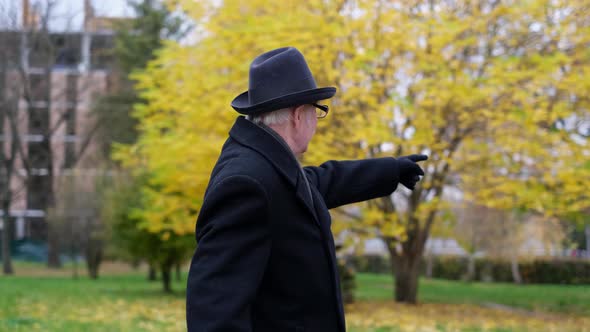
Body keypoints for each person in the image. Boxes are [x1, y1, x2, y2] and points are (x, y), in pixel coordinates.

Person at [186, 47, 427, 332]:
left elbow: (315, 184)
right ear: (299, 115)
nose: (316, 122)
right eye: (318, 111)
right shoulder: (248, 183)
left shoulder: (267, 163)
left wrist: (390, 170)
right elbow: (214, 313)